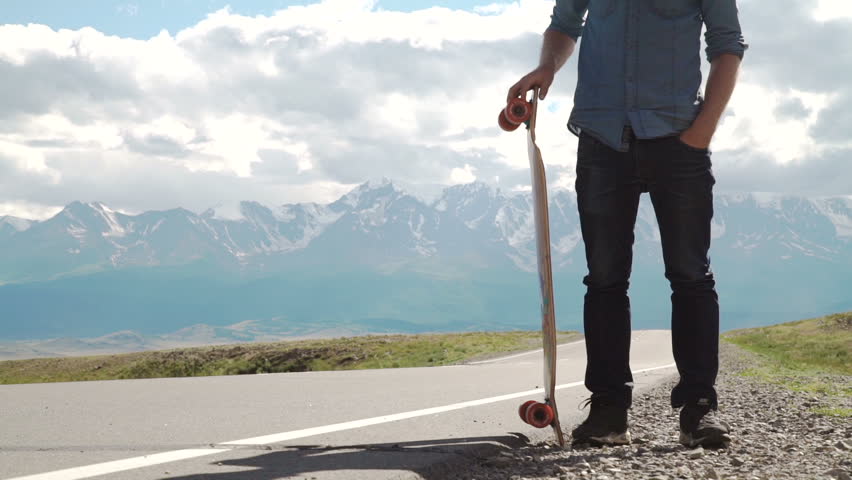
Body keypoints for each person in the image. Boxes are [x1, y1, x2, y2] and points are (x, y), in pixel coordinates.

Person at [507, 0, 747, 447]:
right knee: (604, 279)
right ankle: (609, 412)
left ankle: (699, 409)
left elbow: (727, 46)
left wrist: (703, 131)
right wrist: (547, 68)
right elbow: (564, 25)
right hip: (601, 136)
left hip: (679, 138)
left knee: (691, 275)